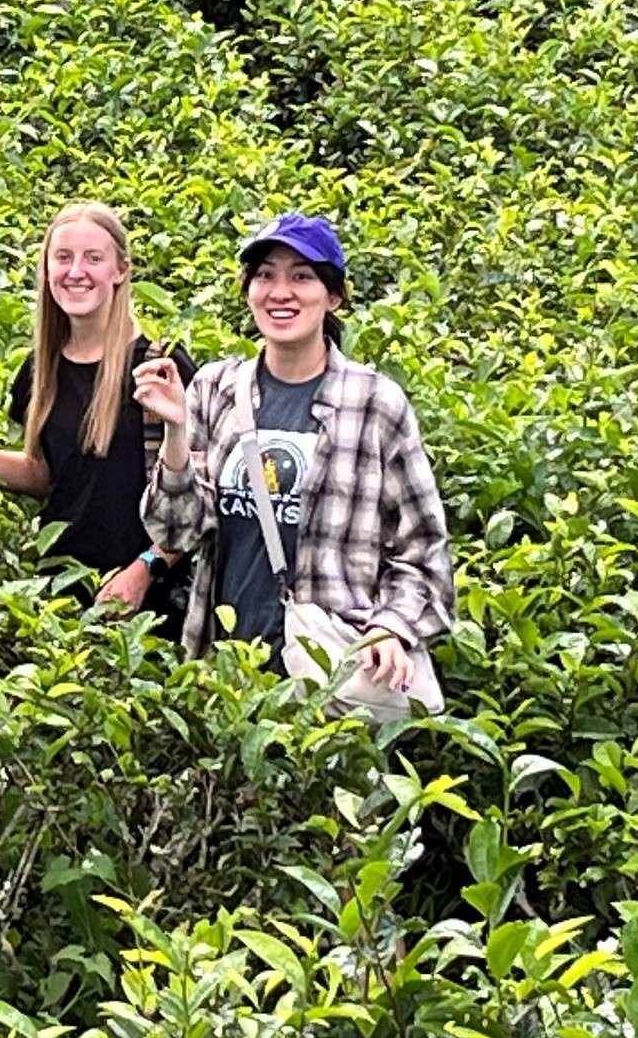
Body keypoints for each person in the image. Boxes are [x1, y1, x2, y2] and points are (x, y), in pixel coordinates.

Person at [136, 214, 454, 702]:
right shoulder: (215, 388)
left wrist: (392, 628)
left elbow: (424, 552)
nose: (280, 291)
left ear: (333, 296)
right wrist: (175, 430)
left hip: (334, 678)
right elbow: (176, 532)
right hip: (226, 671)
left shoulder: (375, 403)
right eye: (265, 275)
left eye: (301, 276)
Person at [0, 201, 193, 613]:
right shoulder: (40, 368)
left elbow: (198, 494)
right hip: (60, 595)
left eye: (94, 258)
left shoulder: (159, 367)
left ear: (121, 270)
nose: (76, 272)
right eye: (63, 257)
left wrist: (146, 568)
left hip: (151, 599)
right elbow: (47, 475)